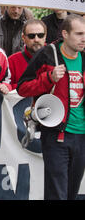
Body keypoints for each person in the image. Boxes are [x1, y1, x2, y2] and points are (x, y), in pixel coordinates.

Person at [17, 14, 85, 200]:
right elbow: (23, 88)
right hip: (56, 135)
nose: (83, 38)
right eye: (79, 34)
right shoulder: (48, 54)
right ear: (65, 33)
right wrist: (49, 79)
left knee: (71, 193)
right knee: (57, 194)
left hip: (81, 137)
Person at [8, 19, 47, 89]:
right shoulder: (12, 61)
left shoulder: (55, 58)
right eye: (31, 36)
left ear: (45, 36)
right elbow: (7, 88)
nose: (36, 39)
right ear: (23, 38)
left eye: (40, 35)